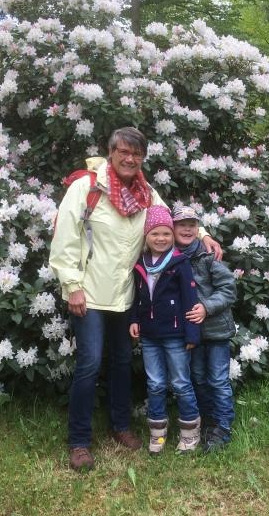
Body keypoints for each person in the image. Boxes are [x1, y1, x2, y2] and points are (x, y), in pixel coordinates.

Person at [49, 127, 222, 471]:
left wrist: (203, 234)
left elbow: (170, 219)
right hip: (90, 293)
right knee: (90, 363)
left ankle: (119, 426)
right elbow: (65, 237)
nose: (129, 159)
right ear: (111, 153)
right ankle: (80, 441)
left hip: (127, 294)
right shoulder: (87, 188)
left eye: (136, 154)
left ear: (142, 157)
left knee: (121, 362)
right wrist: (72, 286)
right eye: (123, 152)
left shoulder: (146, 192)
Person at [129, 205, 201, 453]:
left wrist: (192, 332)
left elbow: (190, 299)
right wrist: (134, 320)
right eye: (155, 234)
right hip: (149, 336)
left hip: (176, 336)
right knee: (156, 384)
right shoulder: (141, 263)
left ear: (173, 236)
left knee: (181, 383)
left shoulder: (179, 263)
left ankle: (190, 433)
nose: (161, 239)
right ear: (146, 237)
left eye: (166, 234)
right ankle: (157, 433)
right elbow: (137, 296)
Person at [174, 205, 237, 453]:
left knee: (219, 380)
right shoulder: (171, 258)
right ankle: (208, 421)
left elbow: (228, 289)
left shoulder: (209, 256)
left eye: (192, 225)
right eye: (182, 225)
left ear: (198, 229)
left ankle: (222, 427)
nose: (187, 229)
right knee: (198, 378)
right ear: (173, 228)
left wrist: (206, 307)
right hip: (193, 335)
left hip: (217, 332)